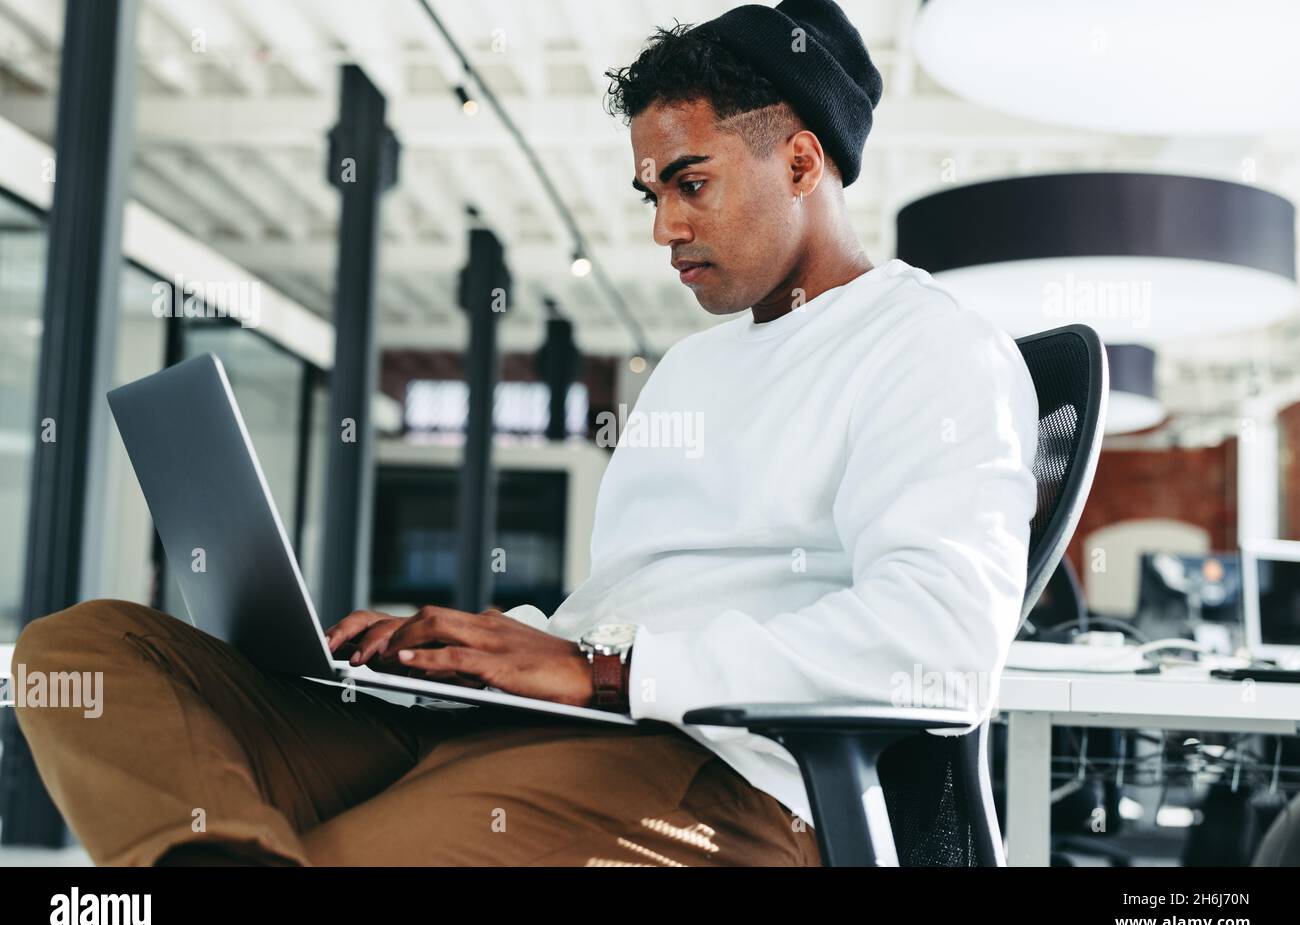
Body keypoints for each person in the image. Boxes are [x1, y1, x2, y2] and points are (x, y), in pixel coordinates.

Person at [12, 0, 1037, 866]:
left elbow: (937, 651)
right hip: (536, 729)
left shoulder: (932, 350)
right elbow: (631, 601)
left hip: (714, 777)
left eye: (690, 182)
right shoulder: (695, 367)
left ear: (803, 161)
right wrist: (483, 643)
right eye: (651, 195)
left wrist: (603, 670)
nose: (662, 230)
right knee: (86, 650)